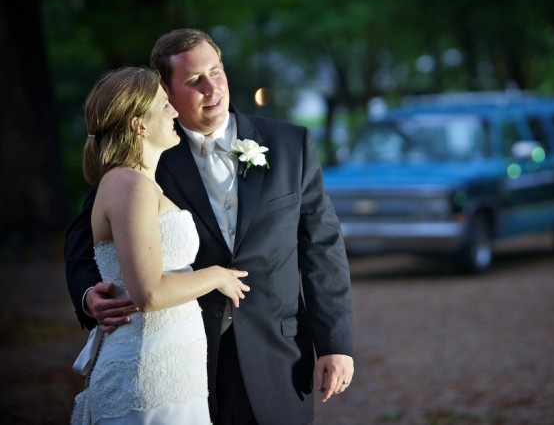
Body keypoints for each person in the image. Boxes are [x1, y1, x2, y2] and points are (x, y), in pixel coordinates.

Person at [65, 29, 354, 425]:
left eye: (216, 72)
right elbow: (85, 240)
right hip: (181, 356)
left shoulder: (291, 145)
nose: (211, 88)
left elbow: (322, 246)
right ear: (166, 92)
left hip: (278, 351)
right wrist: (89, 296)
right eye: (193, 81)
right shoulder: (146, 155)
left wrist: (335, 344)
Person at [69, 66, 251, 424]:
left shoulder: (140, 182)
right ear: (139, 124)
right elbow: (149, 293)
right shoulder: (128, 185)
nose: (174, 112)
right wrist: (216, 275)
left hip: (172, 366)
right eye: (165, 105)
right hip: (147, 370)